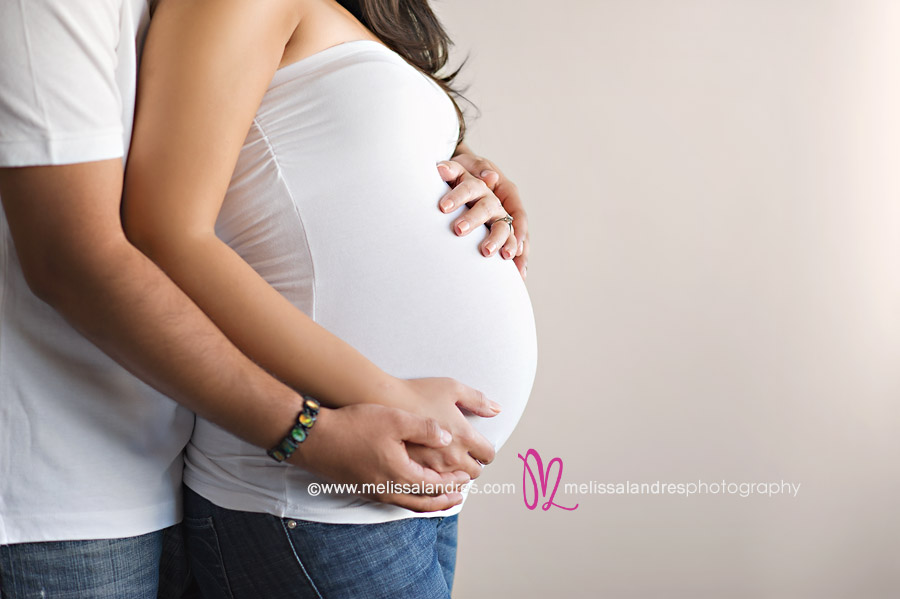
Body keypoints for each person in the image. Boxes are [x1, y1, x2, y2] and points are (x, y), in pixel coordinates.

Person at [0, 1, 530, 597]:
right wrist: (383, 405)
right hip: (318, 468)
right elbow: (151, 234)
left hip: (364, 466)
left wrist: (456, 167)